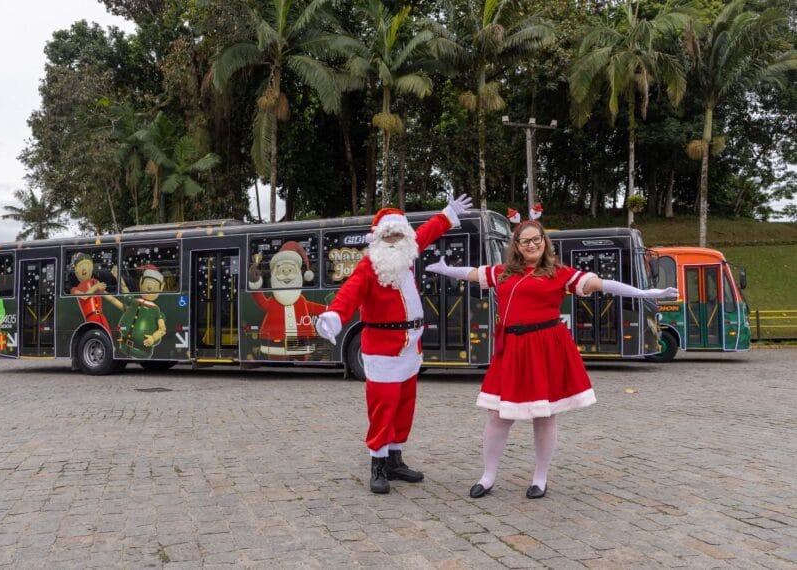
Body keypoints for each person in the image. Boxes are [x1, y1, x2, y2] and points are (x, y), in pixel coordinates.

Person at [425, 218, 677, 499]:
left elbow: (601, 284)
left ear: (544, 242)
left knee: (543, 416)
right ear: (517, 246)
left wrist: (641, 293)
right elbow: (472, 273)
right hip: (511, 348)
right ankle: (488, 476)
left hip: (543, 347)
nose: (531, 245)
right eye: (525, 241)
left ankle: (540, 478)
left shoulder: (560, 273)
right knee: (497, 416)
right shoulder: (504, 272)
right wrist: (447, 270)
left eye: (537, 239)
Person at [316, 194, 473, 494]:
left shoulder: (407, 255)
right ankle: (377, 463)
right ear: (376, 238)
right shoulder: (369, 267)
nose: (393, 239)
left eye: (399, 234)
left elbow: (425, 232)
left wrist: (448, 213)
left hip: (410, 348)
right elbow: (349, 293)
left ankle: (395, 460)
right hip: (382, 351)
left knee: (404, 405)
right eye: (387, 235)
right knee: (382, 408)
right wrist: (335, 315)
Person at [248, 240, 327, 360]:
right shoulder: (273, 301)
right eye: (281, 270)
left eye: (290, 269)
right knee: (275, 357)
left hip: (301, 338)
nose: (286, 273)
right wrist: (255, 285)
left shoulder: (301, 300)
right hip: (274, 339)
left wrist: (330, 309)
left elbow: (314, 308)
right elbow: (262, 302)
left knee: (301, 357)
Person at [69, 252, 111, 331]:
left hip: (102, 318)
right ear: (76, 271)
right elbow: (84, 296)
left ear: (91, 267)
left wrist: (125, 307)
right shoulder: (74, 289)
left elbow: (111, 298)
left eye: (86, 265)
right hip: (90, 320)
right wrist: (96, 287)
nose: (84, 269)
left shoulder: (95, 282)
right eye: (81, 266)